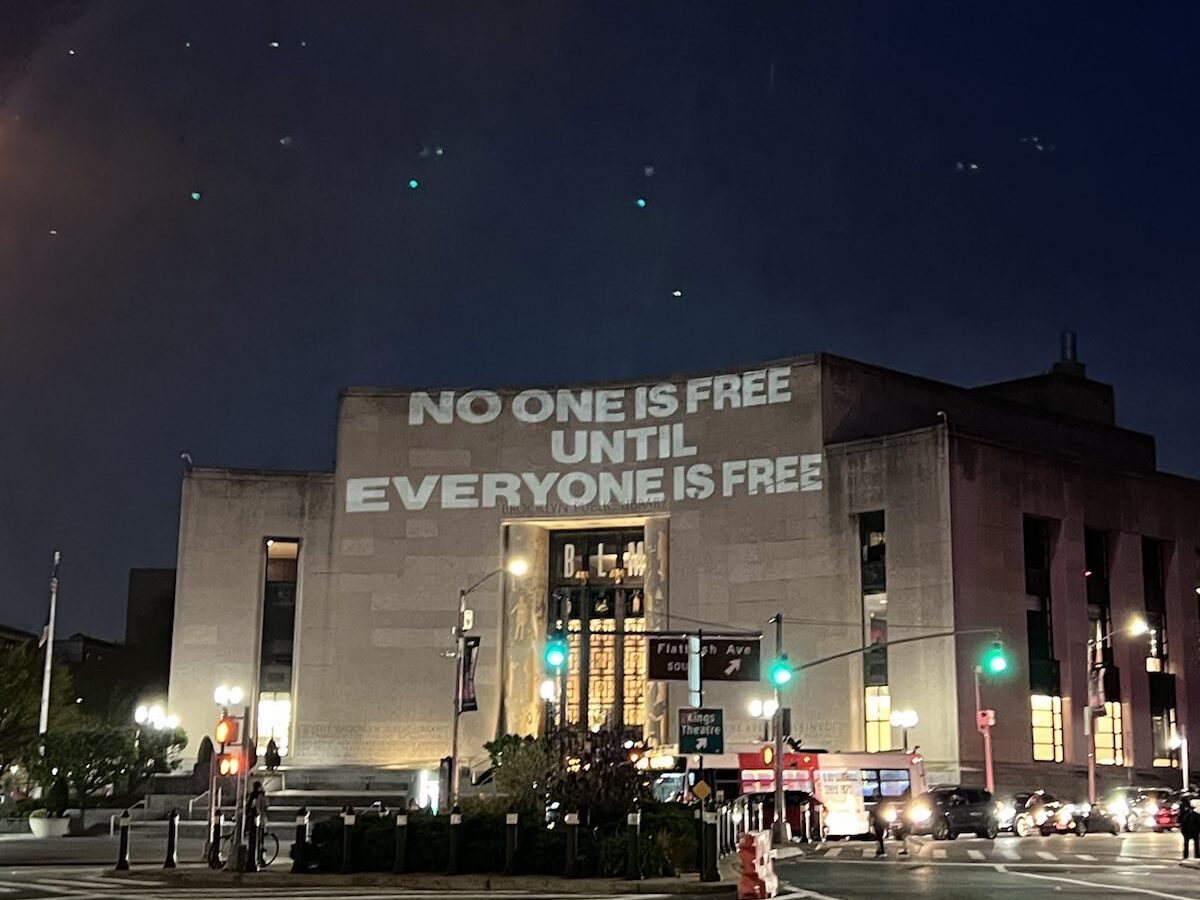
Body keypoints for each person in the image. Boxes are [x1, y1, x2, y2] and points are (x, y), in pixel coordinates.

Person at [247, 781, 269, 865]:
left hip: (257, 819)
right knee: (259, 838)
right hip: (259, 819)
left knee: (258, 838)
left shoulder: (257, 795)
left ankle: (258, 856)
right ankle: (259, 856)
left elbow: (251, 806)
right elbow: (266, 806)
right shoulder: (261, 795)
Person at [1181, 797, 1200, 862]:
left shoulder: (1186, 815)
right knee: (1195, 843)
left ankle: (1186, 855)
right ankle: (1196, 855)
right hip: (1193, 831)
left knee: (1188, 843)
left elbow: (1183, 822)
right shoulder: (1196, 815)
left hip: (1190, 831)